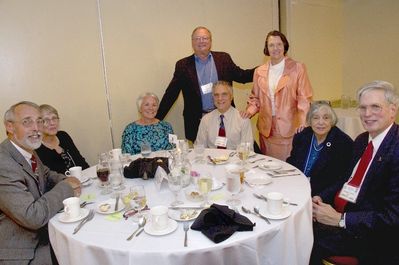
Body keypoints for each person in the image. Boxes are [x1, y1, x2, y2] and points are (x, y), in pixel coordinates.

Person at [310, 81, 399, 264]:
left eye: (375, 107)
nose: (367, 114)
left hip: (371, 236)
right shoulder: (361, 140)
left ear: (393, 110)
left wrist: (340, 219)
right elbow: (347, 180)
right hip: (345, 210)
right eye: (363, 107)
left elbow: (392, 218)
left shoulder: (396, 149)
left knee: (304, 239)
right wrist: (321, 197)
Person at [0, 101, 81, 265]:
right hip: (25, 249)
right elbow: (33, 216)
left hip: (45, 230)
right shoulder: (4, 163)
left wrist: (66, 179)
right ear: (10, 126)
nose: (36, 128)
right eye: (27, 122)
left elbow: (47, 174)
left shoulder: (26, 149)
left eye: (39, 121)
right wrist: (66, 187)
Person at [156, 26, 255, 142]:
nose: (201, 41)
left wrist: (265, 69)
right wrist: (157, 118)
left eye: (205, 38)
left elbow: (242, 76)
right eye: (197, 38)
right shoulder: (183, 65)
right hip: (196, 121)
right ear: (192, 42)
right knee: (200, 155)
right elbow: (171, 94)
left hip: (226, 117)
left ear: (211, 41)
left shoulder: (223, 59)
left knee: (228, 151)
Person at [242, 30, 313, 161]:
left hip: (289, 128)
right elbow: (255, 98)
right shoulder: (259, 71)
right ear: (266, 48)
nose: (275, 48)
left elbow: (304, 98)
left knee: (287, 166)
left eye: (279, 44)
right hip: (266, 130)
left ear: (284, 46)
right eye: (271, 45)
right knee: (267, 166)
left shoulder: (298, 68)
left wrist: (303, 122)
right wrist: (249, 111)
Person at [286, 101, 353, 196]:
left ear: (332, 120)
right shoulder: (302, 136)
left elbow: (343, 179)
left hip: (322, 195)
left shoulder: (343, 143)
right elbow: (292, 161)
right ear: (309, 120)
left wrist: (321, 197)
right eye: (316, 118)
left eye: (326, 118)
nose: (321, 122)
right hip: (297, 186)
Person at [196, 81, 253, 150]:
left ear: (231, 97)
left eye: (224, 94)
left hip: (236, 159)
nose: (220, 98)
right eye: (216, 95)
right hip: (212, 159)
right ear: (212, 98)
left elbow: (248, 150)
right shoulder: (206, 120)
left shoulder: (242, 119)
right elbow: (199, 148)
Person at [36, 104, 89, 174]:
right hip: (61, 184)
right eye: (46, 120)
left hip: (82, 180)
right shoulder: (36, 148)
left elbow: (80, 161)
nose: (52, 123)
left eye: (54, 118)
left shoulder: (63, 136)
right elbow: (48, 179)